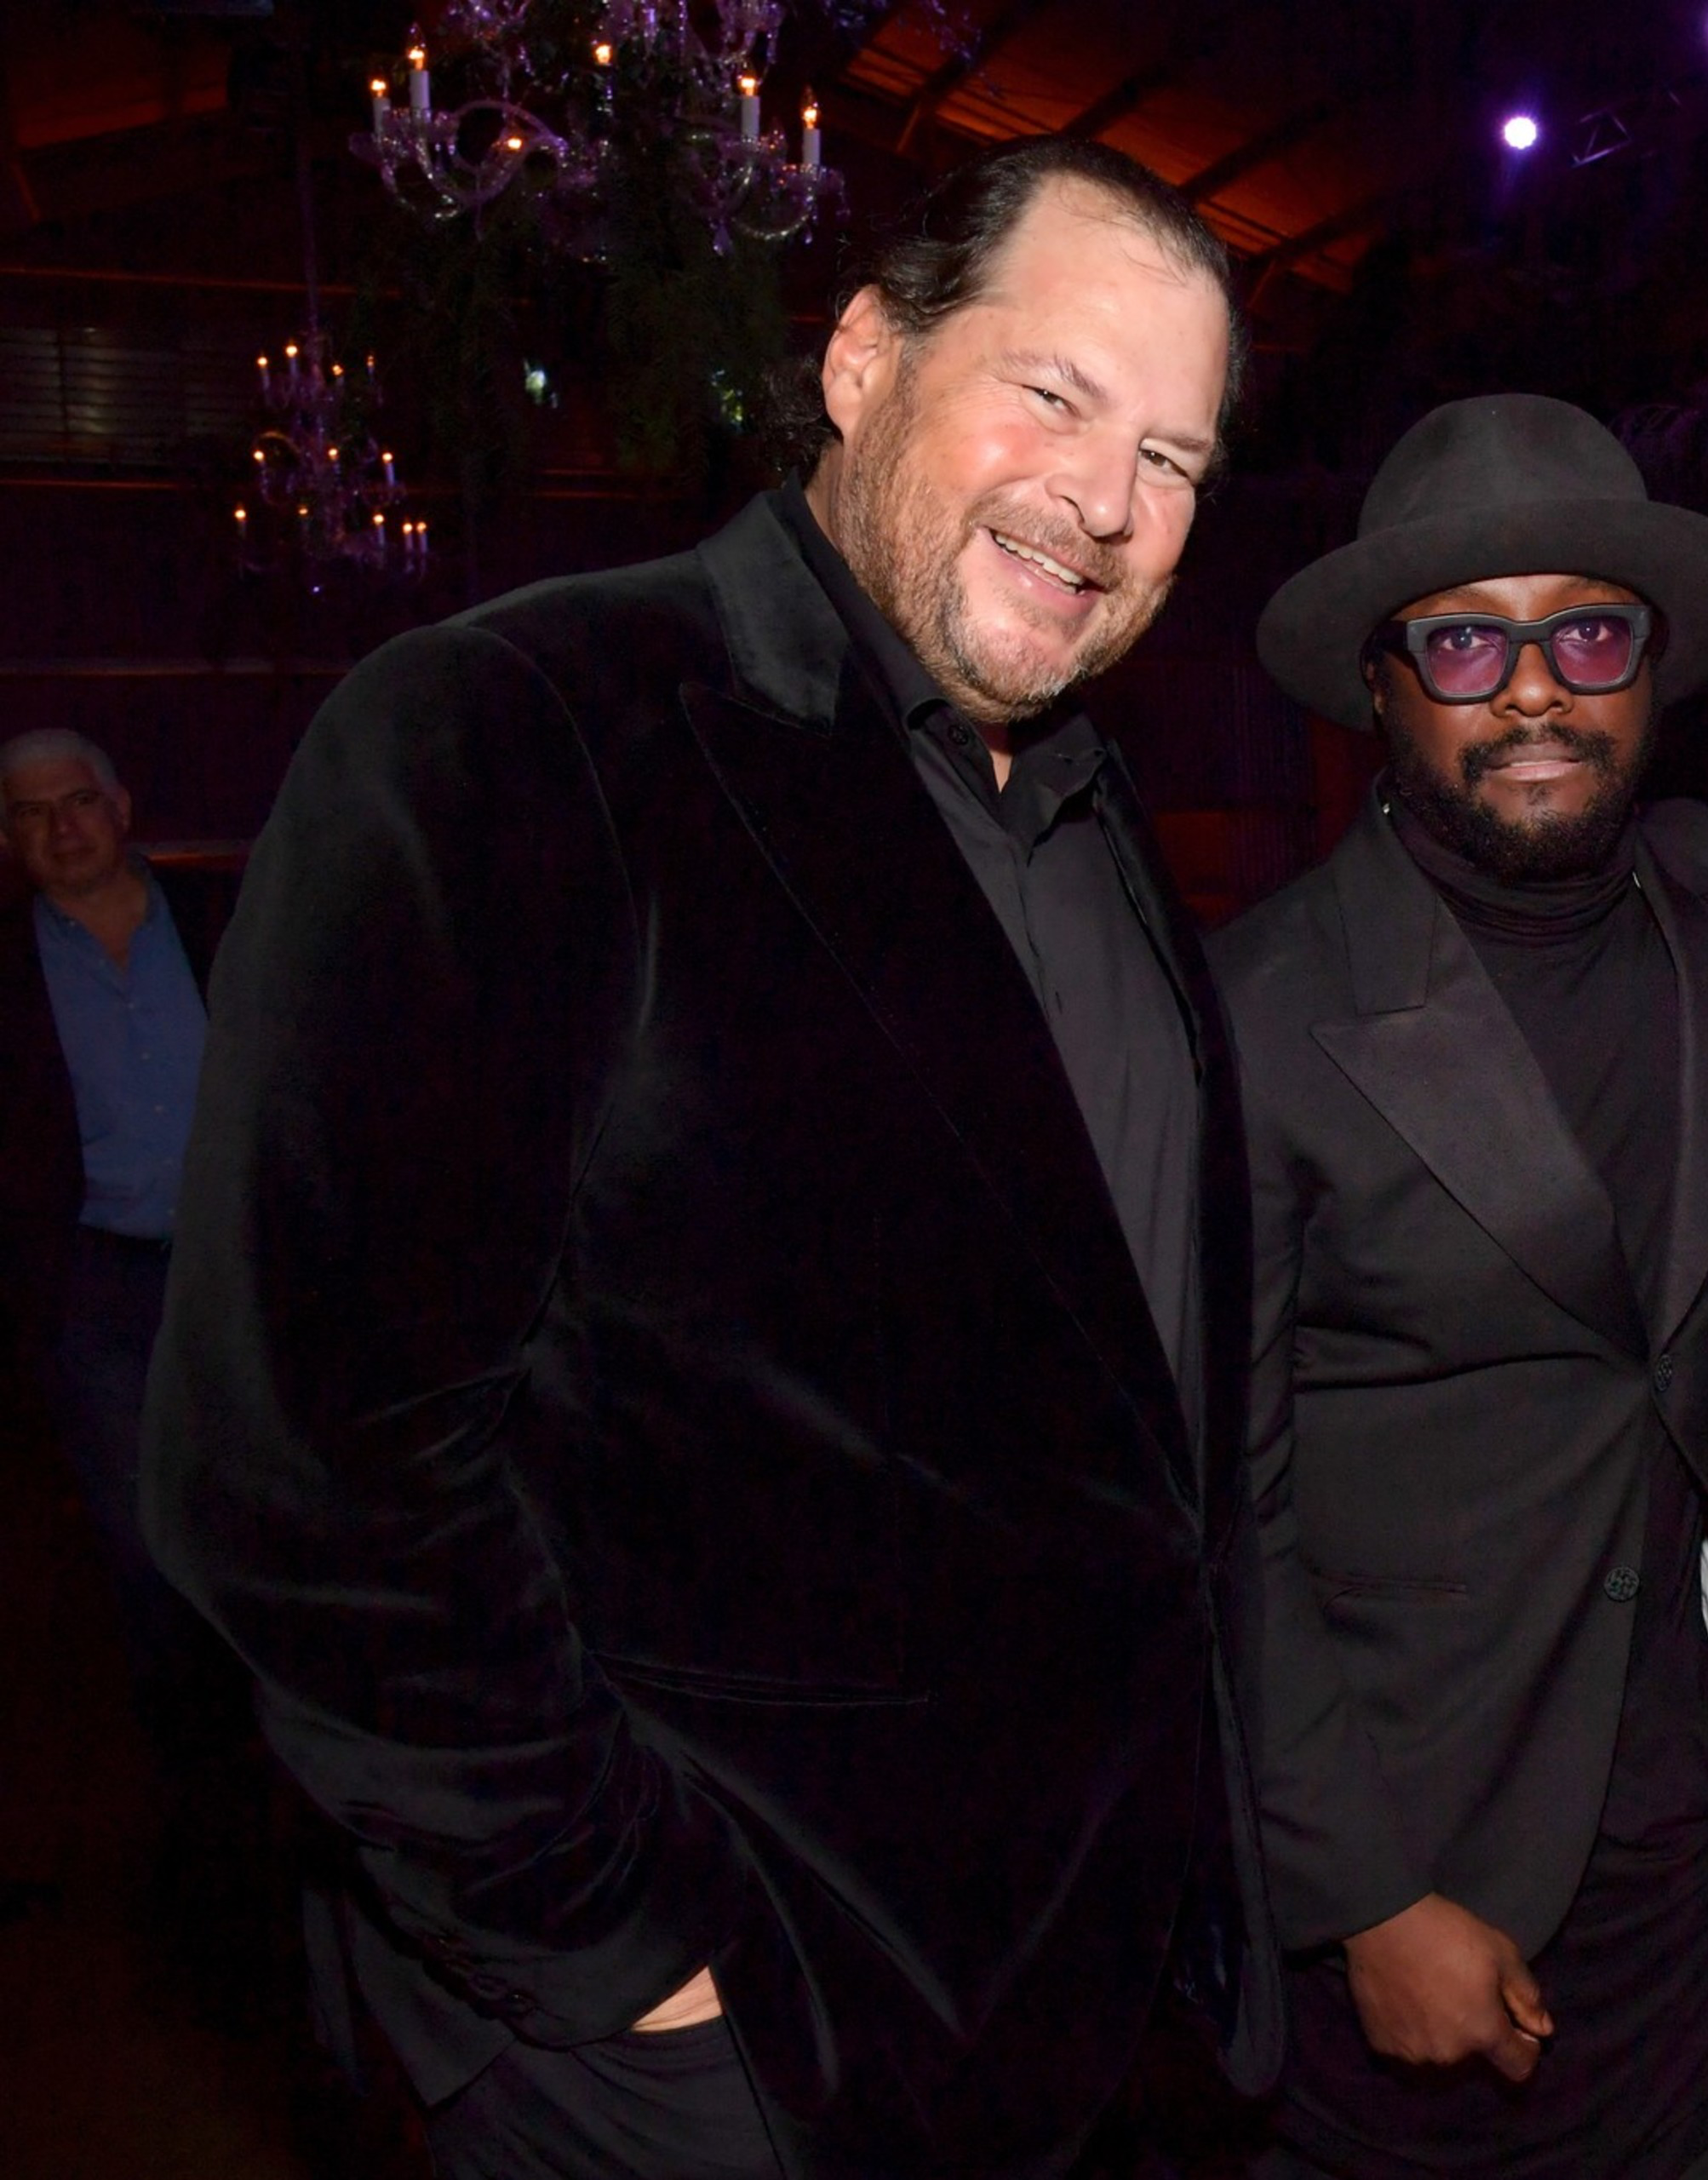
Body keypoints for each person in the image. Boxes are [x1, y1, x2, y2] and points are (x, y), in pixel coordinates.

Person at [142, 137, 1277, 2179]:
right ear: (861, 358)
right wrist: (627, 1969)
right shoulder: (511, 734)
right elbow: (300, 1486)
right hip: (715, 2043)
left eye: (1177, 457)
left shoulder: (1103, 827)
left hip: (1081, 2010)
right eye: (1054, 393)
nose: (1110, 501)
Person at [1225, 394, 1708, 2180]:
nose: (1532, 687)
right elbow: (1212, 1511)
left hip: (1706, 1861)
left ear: (1648, 671)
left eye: (1584, 633)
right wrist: (1363, 1892)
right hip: (1431, 1865)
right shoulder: (1258, 1012)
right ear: (1380, 688)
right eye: (1467, 640)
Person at [0, 730, 248, 1951]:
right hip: (95, 1291)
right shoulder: (7, 971)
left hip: (245, 1277)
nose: (60, 827)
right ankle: (201, 1806)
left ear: (121, 802)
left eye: (77, 800)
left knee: (273, 1516)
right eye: (30, 813)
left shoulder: (220, 920)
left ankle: (292, 1763)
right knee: (149, 1551)